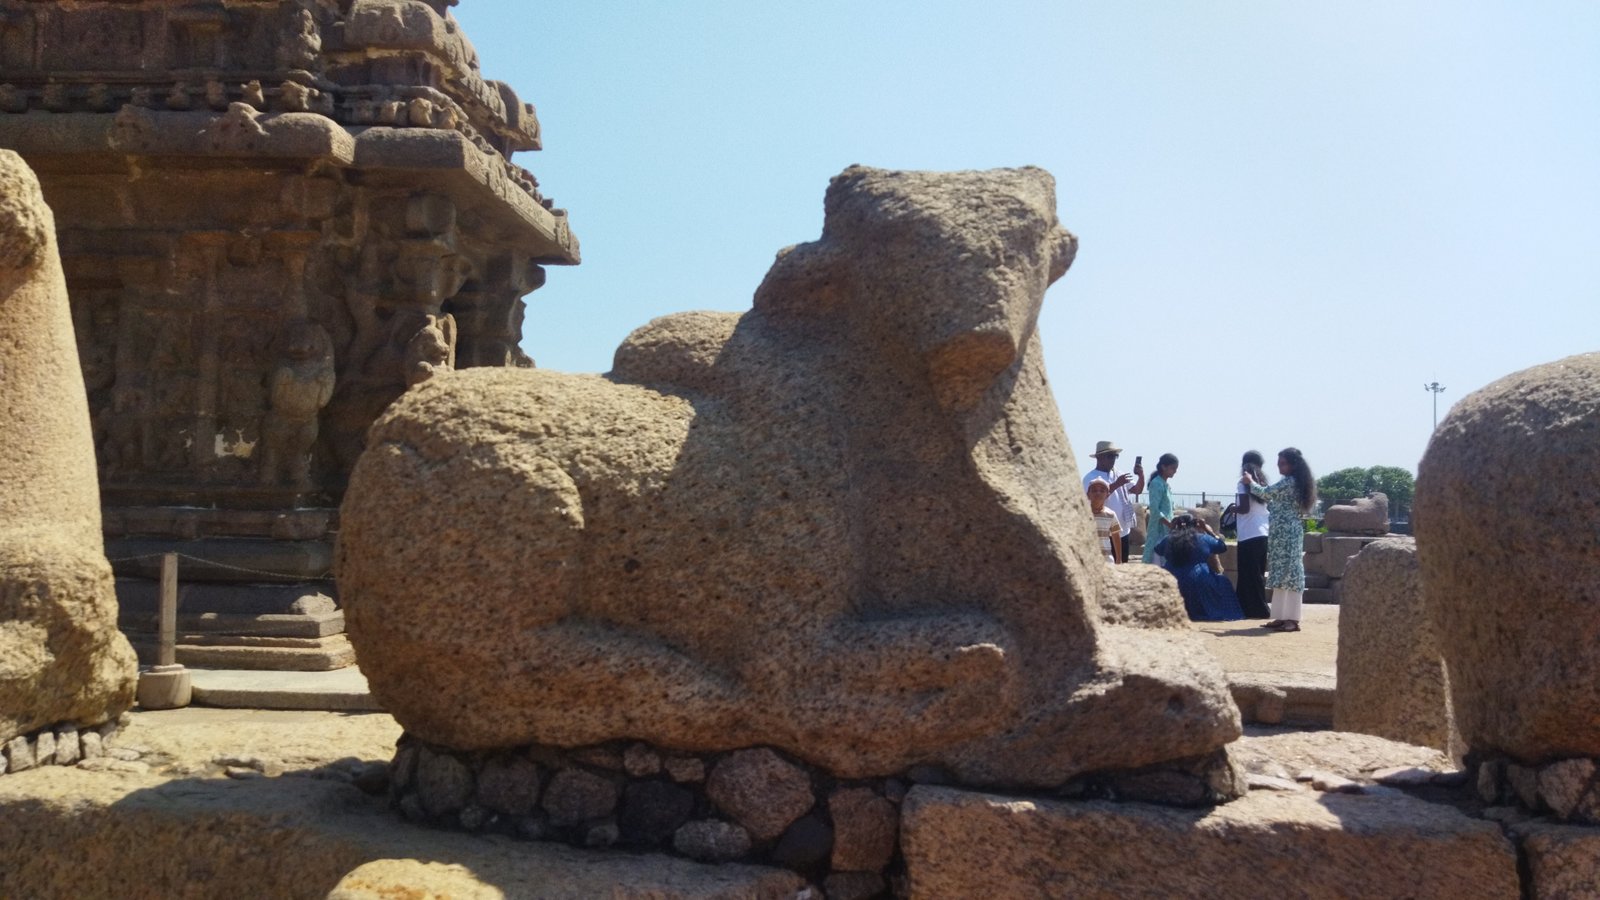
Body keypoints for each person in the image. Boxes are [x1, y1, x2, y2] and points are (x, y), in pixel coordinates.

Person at [1243, 447, 1318, 633]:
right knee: (1281, 573)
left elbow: (1266, 493)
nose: (1279, 467)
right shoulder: (1292, 482)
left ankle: (1292, 618)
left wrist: (1251, 482)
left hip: (1287, 534)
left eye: (1282, 463)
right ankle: (1282, 616)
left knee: (1290, 574)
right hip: (1281, 534)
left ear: (1293, 465)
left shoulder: (1290, 482)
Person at [1153, 515, 1244, 621]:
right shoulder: (1203, 538)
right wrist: (1207, 529)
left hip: (1172, 579)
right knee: (1223, 581)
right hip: (1198, 578)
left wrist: (1172, 530)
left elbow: (1158, 549)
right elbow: (1222, 546)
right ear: (1195, 525)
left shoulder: (1169, 539)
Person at [1081, 441, 1144, 562]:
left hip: (1122, 531)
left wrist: (1141, 475)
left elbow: (1137, 490)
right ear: (1099, 457)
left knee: (1121, 565)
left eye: (1115, 456)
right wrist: (1117, 484)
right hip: (1103, 532)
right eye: (1110, 456)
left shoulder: (1118, 473)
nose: (1113, 459)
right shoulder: (1090, 478)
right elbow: (1093, 499)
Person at [1233, 450, 1272, 618]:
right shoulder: (1262, 484)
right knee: (1258, 573)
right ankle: (1258, 607)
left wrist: (1233, 509)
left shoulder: (1243, 483)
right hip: (1263, 531)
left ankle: (1252, 608)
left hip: (1248, 533)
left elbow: (1244, 508)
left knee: (1247, 573)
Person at [1141, 453, 1179, 565]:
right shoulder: (1156, 484)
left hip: (1166, 532)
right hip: (1158, 532)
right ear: (1163, 467)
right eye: (1173, 468)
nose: (1175, 471)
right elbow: (1155, 509)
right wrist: (1169, 524)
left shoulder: (1166, 485)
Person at [1086, 478, 1123, 564]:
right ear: (1088, 495)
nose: (1098, 493)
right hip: (1087, 558)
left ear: (1107, 495)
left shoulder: (1111, 514)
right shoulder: (1082, 513)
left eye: (1102, 491)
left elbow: (1116, 536)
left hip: (1106, 560)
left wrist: (1118, 558)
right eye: (1094, 490)